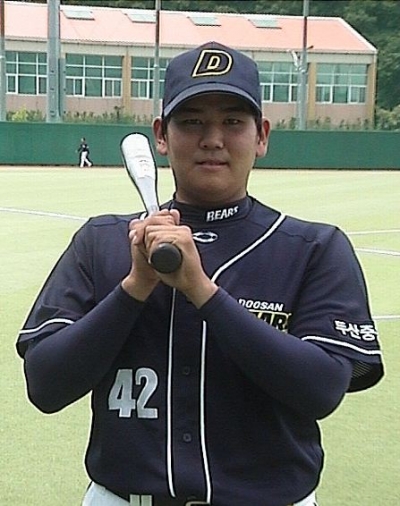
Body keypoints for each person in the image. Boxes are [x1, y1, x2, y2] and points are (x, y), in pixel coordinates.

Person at [17, 41, 384, 506]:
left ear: (261, 136)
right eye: (192, 122)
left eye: (233, 121)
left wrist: (202, 290)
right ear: (162, 136)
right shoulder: (101, 241)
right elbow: (45, 385)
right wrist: (135, 287)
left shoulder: (314, 248)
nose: (213, 138)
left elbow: (322, 390)